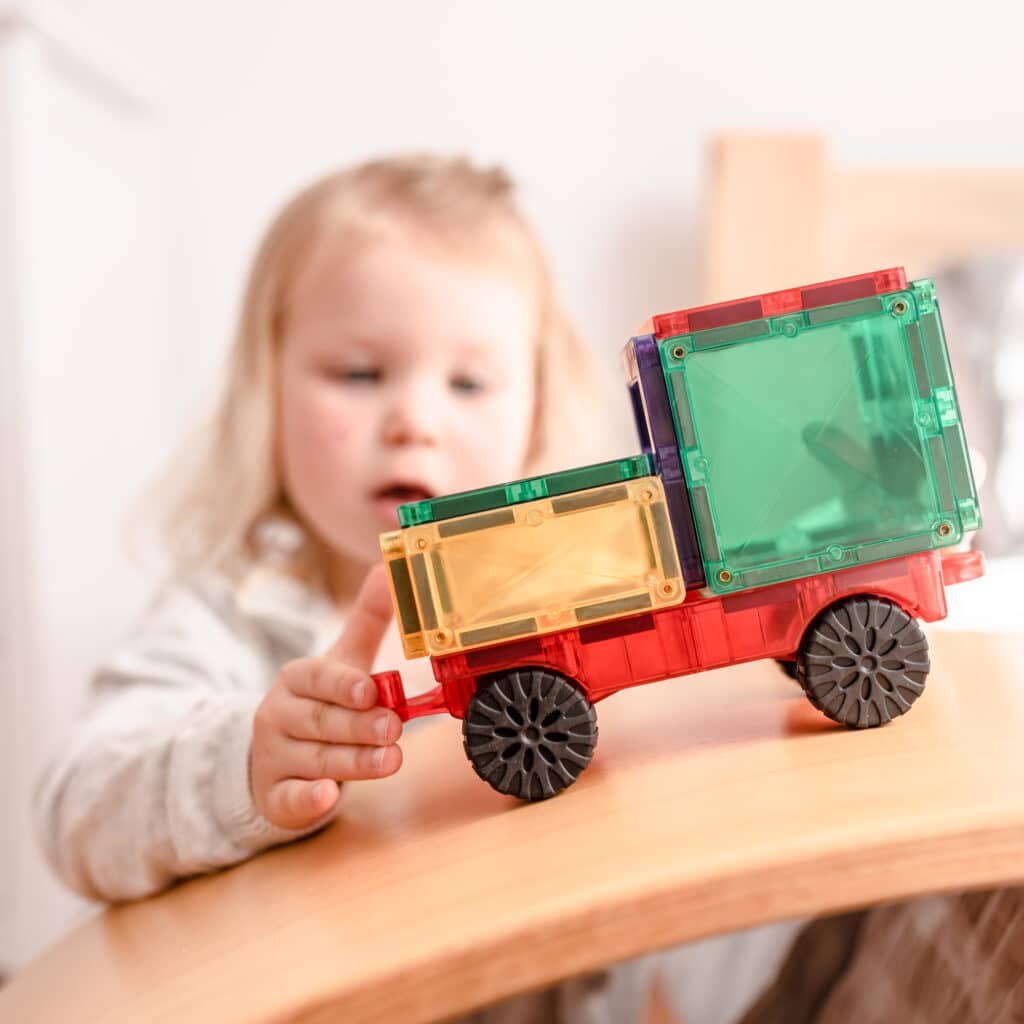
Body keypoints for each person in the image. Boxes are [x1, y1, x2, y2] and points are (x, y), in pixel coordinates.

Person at [33, 153, 606, 902]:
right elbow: (77, 812)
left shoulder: (581, 597)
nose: (414, 424)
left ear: (534, 417)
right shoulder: (225, 611)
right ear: (266, 395)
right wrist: (246, 760)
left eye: (468, 383)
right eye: (360, 375)